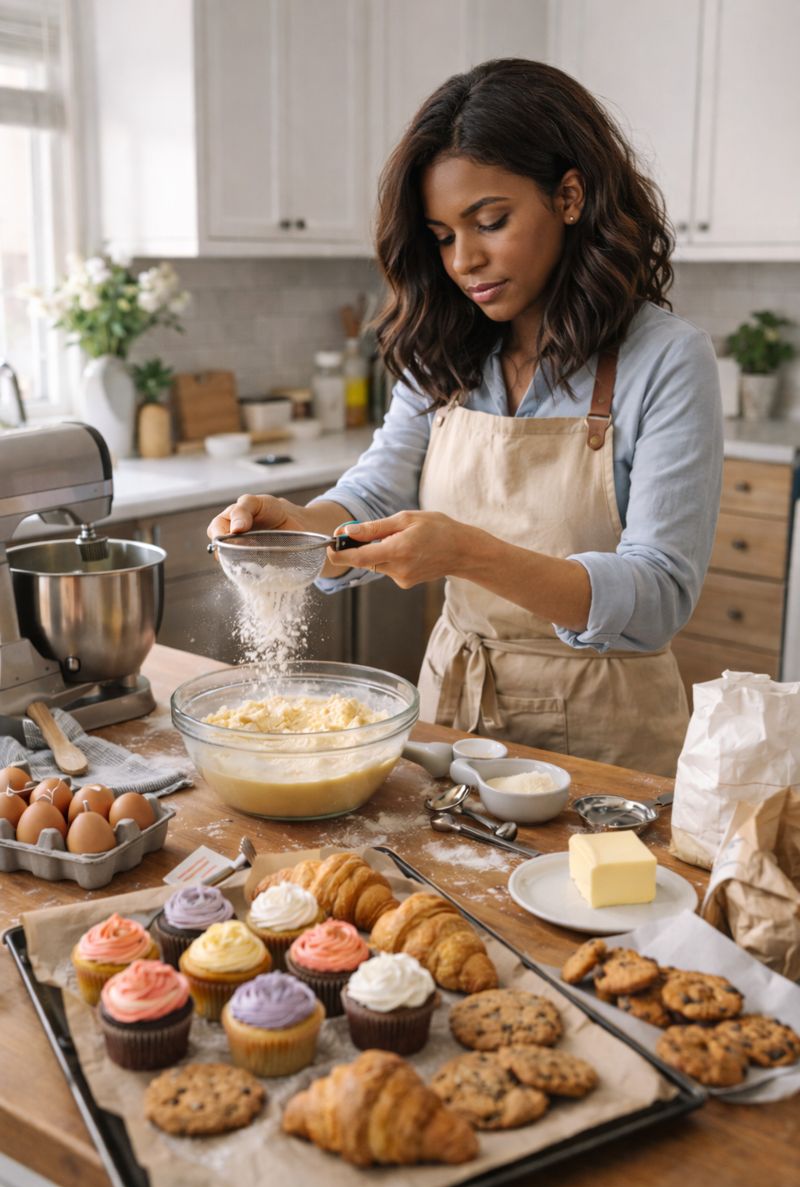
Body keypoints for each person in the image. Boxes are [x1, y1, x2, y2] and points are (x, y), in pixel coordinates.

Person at [208, 58, 723, 776]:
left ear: (569, 196)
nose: (464, 261)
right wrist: (296, 529)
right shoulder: (443, 349)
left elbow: (659, 597)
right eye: (444, 235)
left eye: (490, 222)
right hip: (454, 715)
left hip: (611, 740)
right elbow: (375, 495)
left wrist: (468, 554)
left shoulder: (665, 360)